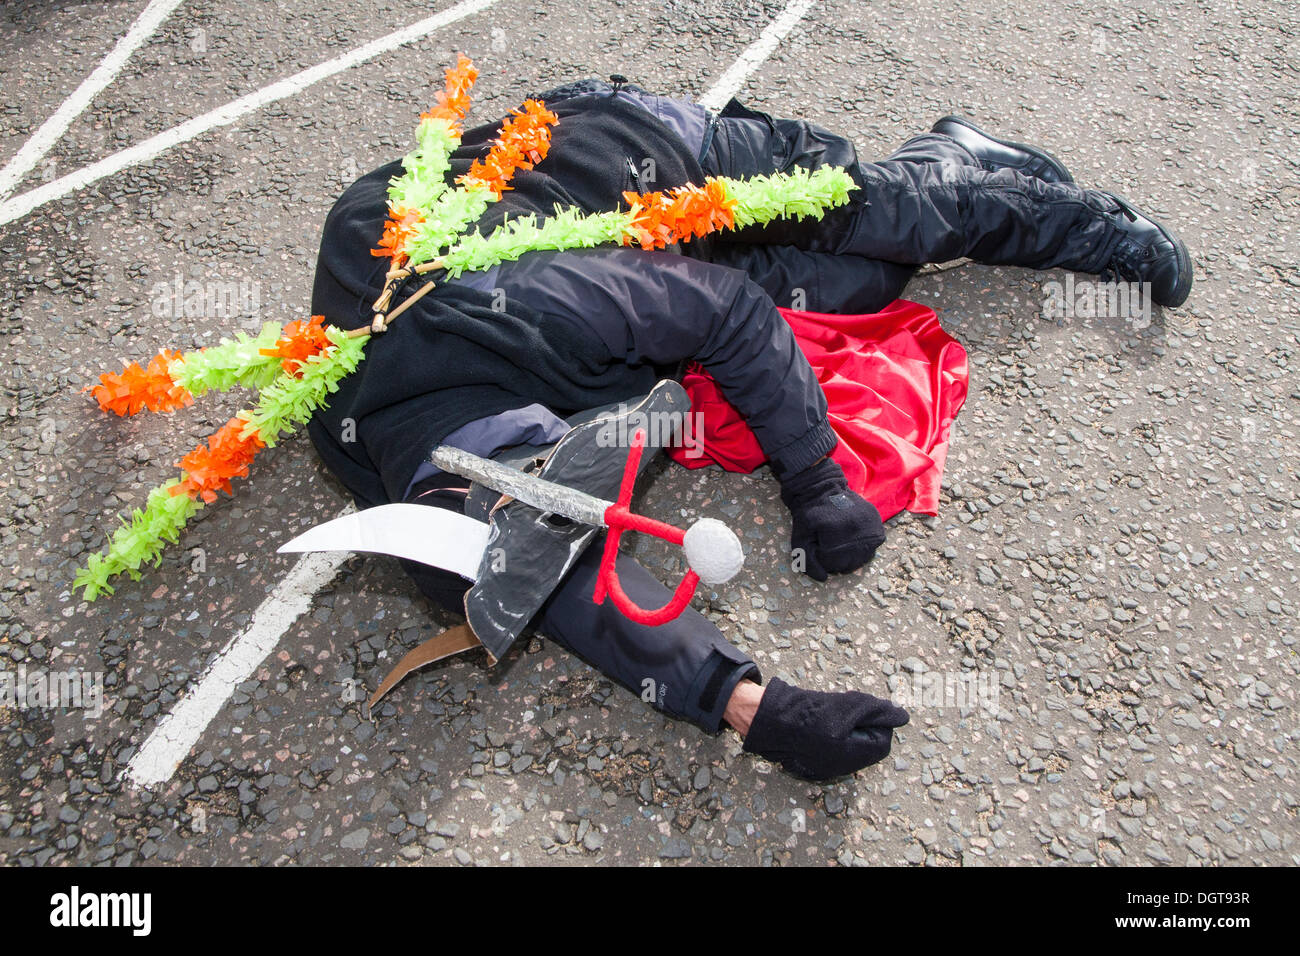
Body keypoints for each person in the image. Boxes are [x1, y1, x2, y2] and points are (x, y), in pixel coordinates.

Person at [306, 76, 1192, 781]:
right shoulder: (368, 446)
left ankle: (1095, 231)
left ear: (497, 456)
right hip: (603, 262)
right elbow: (556, 580)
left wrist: (815, 483)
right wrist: (752, 706)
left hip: (646, 159)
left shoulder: (539, 310)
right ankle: (952, 149)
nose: (560, 529)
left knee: (880, 215)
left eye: (539, 506)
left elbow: (728, 315)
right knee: (860, 289)